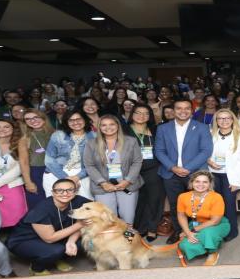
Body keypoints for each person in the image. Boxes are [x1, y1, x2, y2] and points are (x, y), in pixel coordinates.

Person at [155, 99, 213, 244]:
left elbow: (206, 150)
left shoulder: (202, 127)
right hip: (170, 173)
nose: (183, 111)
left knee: (197, 204)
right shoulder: (163, 128)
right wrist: (173, 167)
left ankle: (197, 231)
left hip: (194, 174)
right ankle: (179, 230)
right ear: (173, 111)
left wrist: (188, 168)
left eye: (187, 108)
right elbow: (159, 150)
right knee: (176, 205)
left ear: (192, 111)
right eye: (179, 108)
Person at [6, 179, 88, 276]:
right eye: (59, 190)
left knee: (84, 240)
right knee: (56, 250)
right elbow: (50, 238)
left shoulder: (79, 201)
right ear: (53, 192)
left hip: (58, 235)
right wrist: (80, 225)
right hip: (24, 240)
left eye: (70, 190)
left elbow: (93, 212)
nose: (65, 193)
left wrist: (71, 240)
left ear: (75, 192)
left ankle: (57, 259)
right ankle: (36, 268)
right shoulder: (41, 209)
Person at [83, 115, 144, 224]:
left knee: (128, 218)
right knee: (107, 219)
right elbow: (89, 165)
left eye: (112, 124)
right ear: (99, 127)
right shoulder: (91, 143)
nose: (108, 127)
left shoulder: (131, 141)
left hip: (127, 185)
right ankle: (110, 241)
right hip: (103, 186)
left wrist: (128, 181)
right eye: (104, 125)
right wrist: (102, 183)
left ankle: (128, 240)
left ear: (118, 126)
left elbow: (137, 161)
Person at [207, 109, 240, 242]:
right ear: (216, 121)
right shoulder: (211, 135)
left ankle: (232, 230)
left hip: (230, 176)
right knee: (216, 204)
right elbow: (205, 152)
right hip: (213, 175)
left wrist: (237, 180)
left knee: (229, 203)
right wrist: (209, 161)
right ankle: (219, 228)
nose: (224, 121)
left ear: (232, 120)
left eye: (227, 118)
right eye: (220, 118)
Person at [127, 104, 165, 242]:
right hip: (131, 171)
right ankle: (137, 228)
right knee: (136, 201)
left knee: (154, 199)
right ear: (132, 114)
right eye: (138, 112)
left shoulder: (155, 130)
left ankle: (152, 228)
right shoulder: (124, 130)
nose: (142, 116)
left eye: (146, 113)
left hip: (153, 169)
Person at [176, 171, 230, 266]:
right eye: (197, 181)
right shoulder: (183, 197)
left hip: (217, 225)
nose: (201, 184)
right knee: (184, 245)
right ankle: (213, 242)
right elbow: (181, 215)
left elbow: (215, 221)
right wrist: (188, 233)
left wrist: (191, 231)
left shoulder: (216, 197)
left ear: (209, 184)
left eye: (205, 182)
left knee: (207, 233)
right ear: (192, 183)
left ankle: (212, 252)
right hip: (195, 224)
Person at [44, 110, 96, 200]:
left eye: (79, 119)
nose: (75, 122)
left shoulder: (95, 137)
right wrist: (66, 179)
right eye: (71, 120)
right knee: (57, 205)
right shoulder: (58, 135)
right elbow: (49, 160)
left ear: (85, 120)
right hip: (55, 173)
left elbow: (95, 162)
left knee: (85, 205)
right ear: (66, 122)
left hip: (82, 175)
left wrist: (77, 177)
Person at [17, 109, 54, 209]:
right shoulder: (25, 139)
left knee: (59, 201)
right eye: (28, 119)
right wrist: (28, 182)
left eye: (35, 117)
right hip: (37, 173)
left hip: (57, 171)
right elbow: (23, 162)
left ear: (43, 118)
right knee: (39, 205)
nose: (32, 121)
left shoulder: (57, 134)